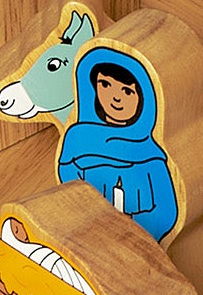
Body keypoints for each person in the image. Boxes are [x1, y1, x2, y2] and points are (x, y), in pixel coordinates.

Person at [54, 49, 178, 243]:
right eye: (105, 84)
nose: (115, 98)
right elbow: (70, 187)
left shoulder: (150, 154)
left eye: (127, 91)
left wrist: (132, 225)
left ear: (144, 97)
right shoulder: (77, 139)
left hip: (140, 242)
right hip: (92, 236)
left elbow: (167, 210)